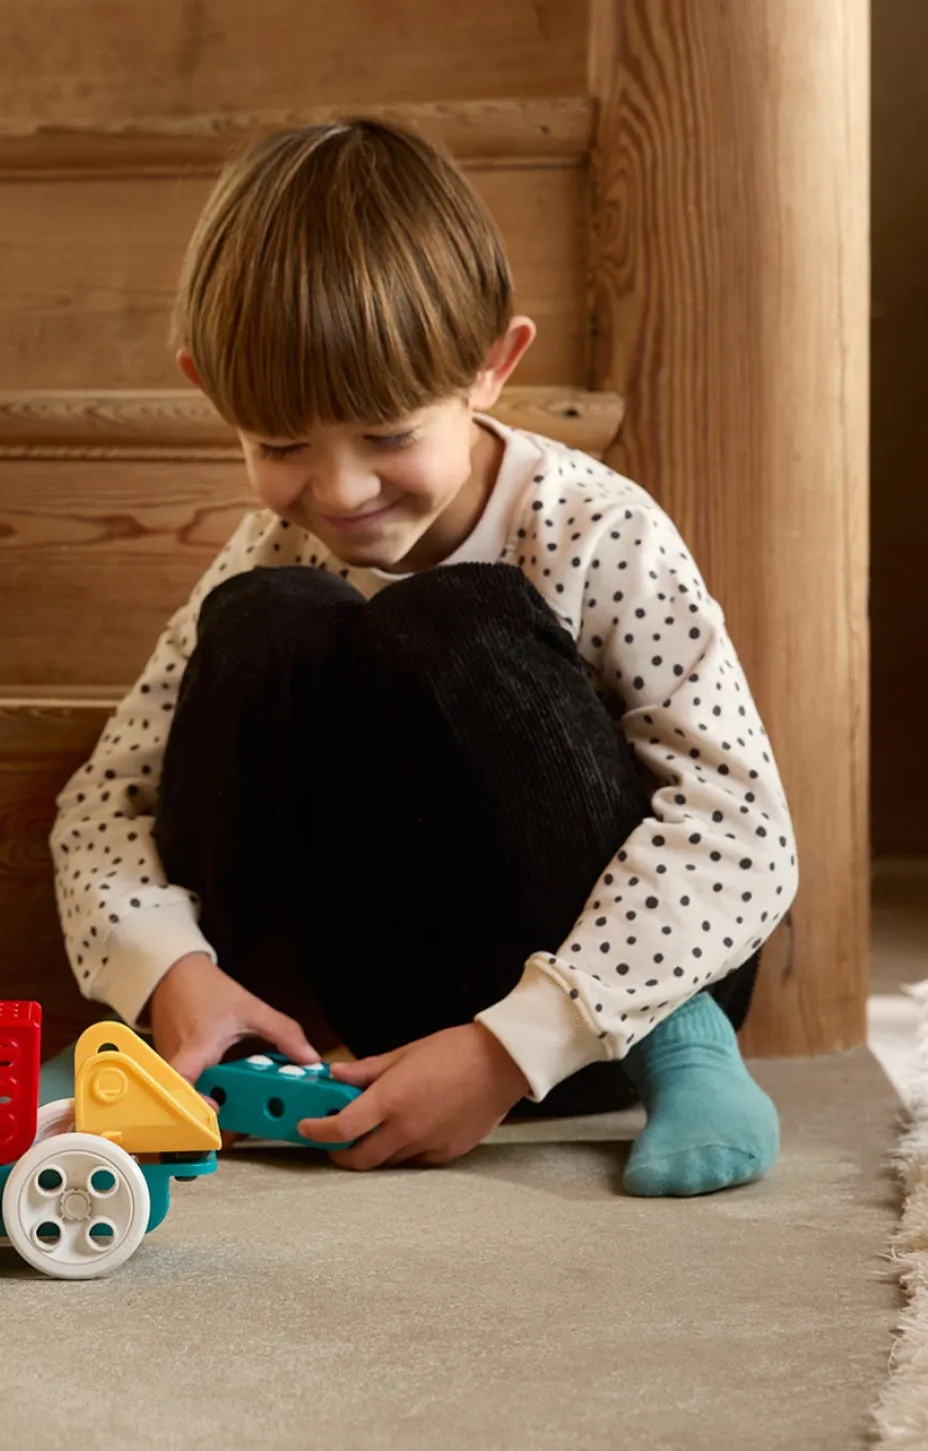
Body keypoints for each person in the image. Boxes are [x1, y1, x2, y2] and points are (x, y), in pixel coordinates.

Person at [50, 117, 796, 1196]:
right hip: (370, 1003)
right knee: (267, 615)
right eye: (281, 445)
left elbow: (739, 826)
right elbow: (101, 804)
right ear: (210, 391)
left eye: (388, 434)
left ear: (493, 365)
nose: (340, 490)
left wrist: (510, 1047)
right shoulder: (272, 550)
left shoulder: (593, 527)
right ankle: (217, 1044)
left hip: (606, 1010)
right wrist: (172, 969)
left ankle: (688, 1051)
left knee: (452, 619)